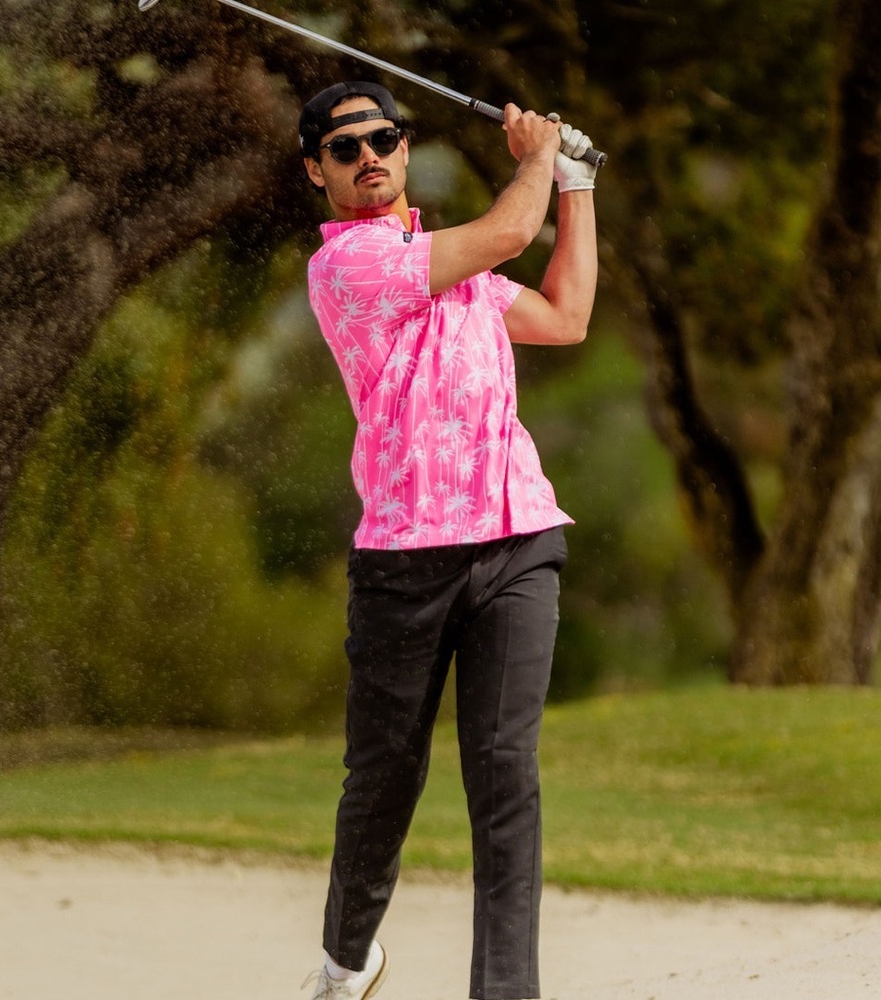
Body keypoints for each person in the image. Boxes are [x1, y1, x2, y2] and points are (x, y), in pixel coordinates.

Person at [298, 80, 598, 1000]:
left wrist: (576, 185)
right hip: (404, 560)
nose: (369, 157)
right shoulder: (348, 267)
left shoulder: (448, 266)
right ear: (318, 171)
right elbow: (509, 233)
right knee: (384, 779)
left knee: (505, 775)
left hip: (517, 539)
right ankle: (347, 960)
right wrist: (541, 155)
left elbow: (566, 315)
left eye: (382, 138)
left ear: (402, 144)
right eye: (345, 149)